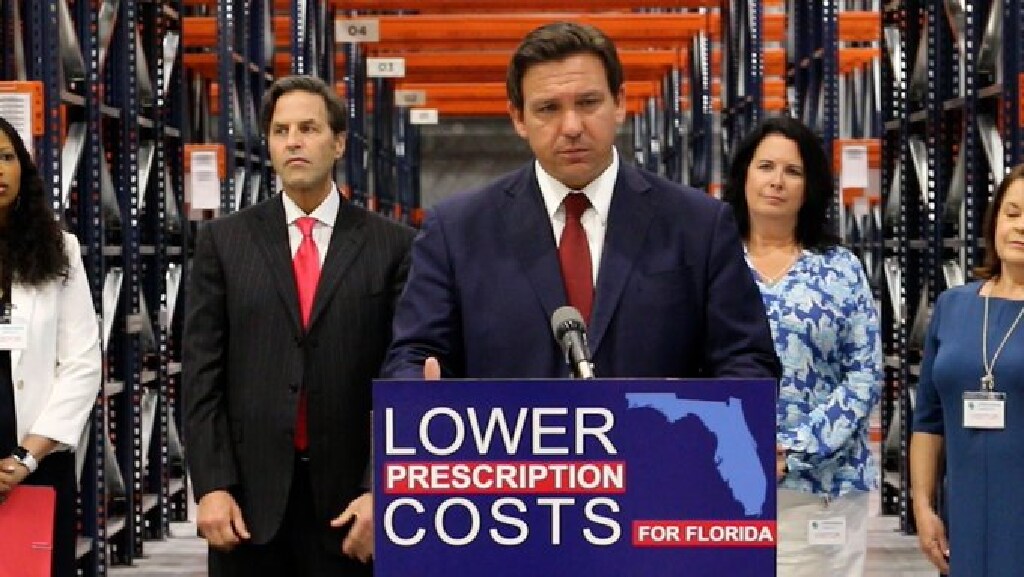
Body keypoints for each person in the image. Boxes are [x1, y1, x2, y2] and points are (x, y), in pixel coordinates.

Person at [382, 22, 779, 383]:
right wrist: (418, 390)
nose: (571, 127)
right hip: (511, 460)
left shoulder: (698, 224)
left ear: (619, 103)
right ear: (519, 118)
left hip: (656, 455)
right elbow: (415, 354)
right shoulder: (456, 231)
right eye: (548, 109)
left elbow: (745, 357)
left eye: (588, 103)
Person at [183, 74, 414, 576]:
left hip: (353, 508)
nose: (293, 141)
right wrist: (212, 485)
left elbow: (403, 377)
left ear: (339, 142)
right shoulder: (225, 243)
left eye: (308, 128)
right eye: (280, 130)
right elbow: (202, 374)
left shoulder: (393, 246)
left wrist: (382, 487)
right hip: (249, 505)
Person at [722, 116, 882, 577]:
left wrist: (792, 449)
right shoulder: (712, 261)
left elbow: (864, 374)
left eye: (792, 171)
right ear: (744, 176)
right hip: (726, 472)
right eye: (765, 166)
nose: (776, 181)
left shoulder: (840, 269)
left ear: (810, 186)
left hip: (822, 485)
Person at [0, 115, 102, 575]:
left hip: (35, 458)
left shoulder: (60, 250)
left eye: (5, 157)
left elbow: (82, 364)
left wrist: (26, 456)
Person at [910, 164, 1024, 577]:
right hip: (964, 514)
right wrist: (923, 508)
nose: (1021, 227)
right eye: (1012, 213)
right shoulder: (953, 305)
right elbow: (928, 419)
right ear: (995, 220)